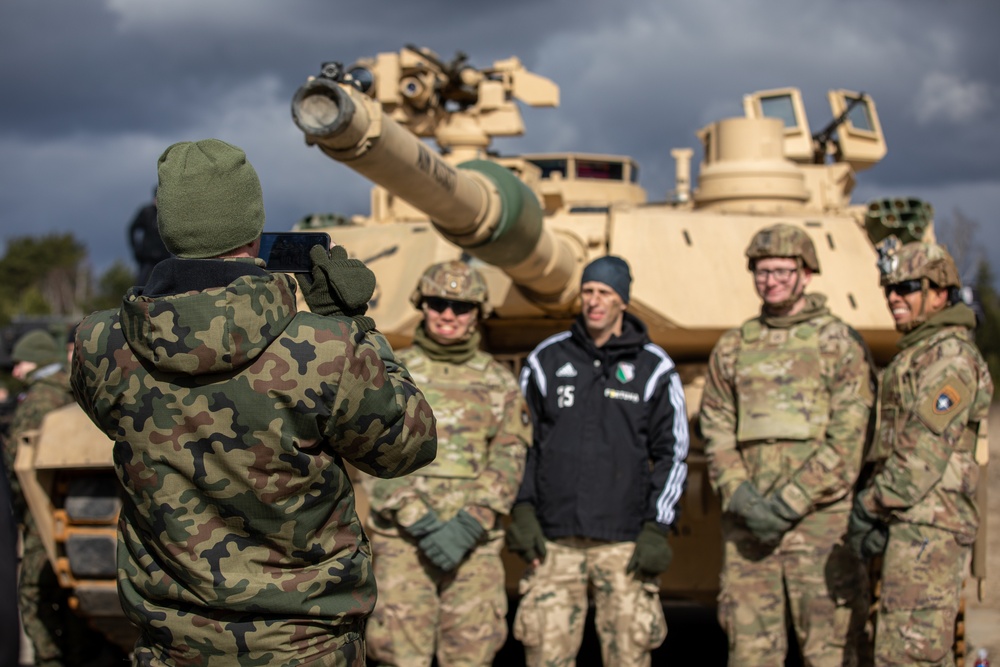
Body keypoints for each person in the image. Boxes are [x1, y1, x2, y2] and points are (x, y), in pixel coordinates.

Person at [71, 138, 438, 666]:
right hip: (304, 646)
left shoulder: (100, 346)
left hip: (170, 646)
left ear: (169, 228)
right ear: (253, 234)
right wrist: (356, 325)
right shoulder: (326, 349)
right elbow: (408, 447)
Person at [699, 223, 873, 666]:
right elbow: (716, 424)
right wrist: (741, 494)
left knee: (830, 650)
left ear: (806, 273)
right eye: (761, 271)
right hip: (748, 525)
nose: (770, 280)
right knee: (751, 652)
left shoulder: (839, 344)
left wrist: (788, 504)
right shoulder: (734, 346)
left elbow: (848, 438)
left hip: (819, 525)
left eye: (781, 270)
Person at [507, 255, 688, 667]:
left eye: (605, 293)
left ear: (623, 300)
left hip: (623, 544)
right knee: (545, 656)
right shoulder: (547, 360)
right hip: (555, 542)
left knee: (629, 655)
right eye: (588, 291)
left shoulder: (653, 367)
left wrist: (657, 528)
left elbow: (673, 453)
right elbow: (518, 445)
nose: (594, 301)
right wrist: (522, 510)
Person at [364, 260, 531, 666]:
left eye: (462, 307)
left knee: (471, 655)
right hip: (404, 541)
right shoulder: (391, 373)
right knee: (399, 656)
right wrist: (418, 519)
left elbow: (511, 453)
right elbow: (369, 450)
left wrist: (470, 522)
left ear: (478, 314)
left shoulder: (499, 382)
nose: (448, 315)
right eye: (439, 303)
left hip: (472, 542)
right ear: (423, 304)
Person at [847, 239, 992, 666]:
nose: (894, 297)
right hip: (909, 524)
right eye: (889, 288)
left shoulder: (950, 359)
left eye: (907, 286)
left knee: (908, 655)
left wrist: (868, 507)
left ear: (940, 292)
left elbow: (921, 457)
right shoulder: (920, 353)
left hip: (929, 530)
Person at [4, 329, 122, 667]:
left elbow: (17, 467)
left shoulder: (39, 402)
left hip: (47, 515)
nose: (15, 371)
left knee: (36, 595)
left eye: (21, 362)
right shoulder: (76, 392)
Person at [127, 186, 171, 286]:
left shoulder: (167, 214)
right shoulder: (146, 212)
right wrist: (136, 248)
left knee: (165, 284)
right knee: (141, 283)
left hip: (164, 256)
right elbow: (132, 229)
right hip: (147, 257)